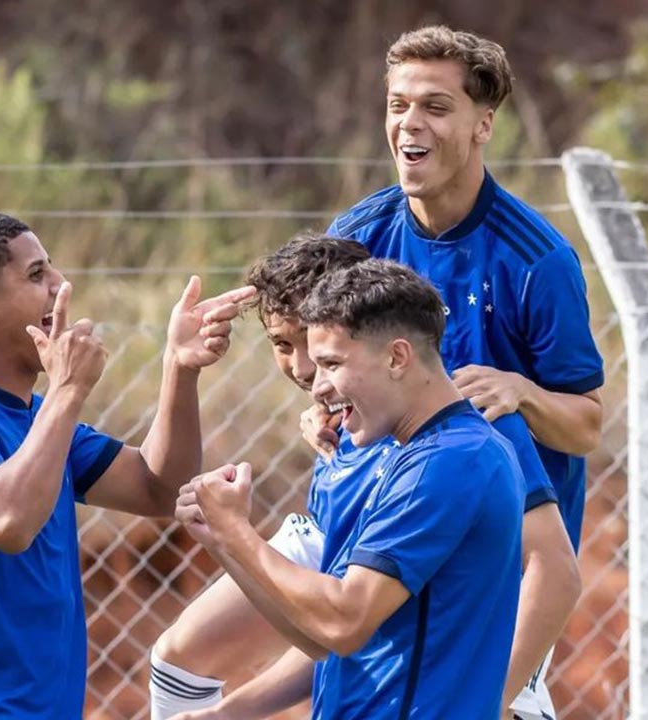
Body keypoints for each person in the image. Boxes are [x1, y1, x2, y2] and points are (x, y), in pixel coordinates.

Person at [151, 235, 579, 720]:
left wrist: (498, 696)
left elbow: (555, 570)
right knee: (176, 661)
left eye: (328, 356)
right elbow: (332, 639)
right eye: (284, 345)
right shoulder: (346, 444)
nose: (307, 371)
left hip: (490, 693)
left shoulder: (462, 437)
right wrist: (224, 540)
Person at [323, 25, 606, 717]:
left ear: (484, 124)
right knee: (183, 658)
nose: (408, 125)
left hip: (501, 567)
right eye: (397, 105)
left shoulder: (538, 259)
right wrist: (320, 405)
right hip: (386, 541)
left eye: (435, 107)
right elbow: (324, 367)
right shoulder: (356, 237)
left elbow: (588, 426)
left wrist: (525, 393)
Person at [0, 212, 255, 719]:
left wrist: (179, 366)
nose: (61, 286)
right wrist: (67, 390)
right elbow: (4, 521)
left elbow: (157, 488)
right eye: (37, 275)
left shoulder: (36, 418)